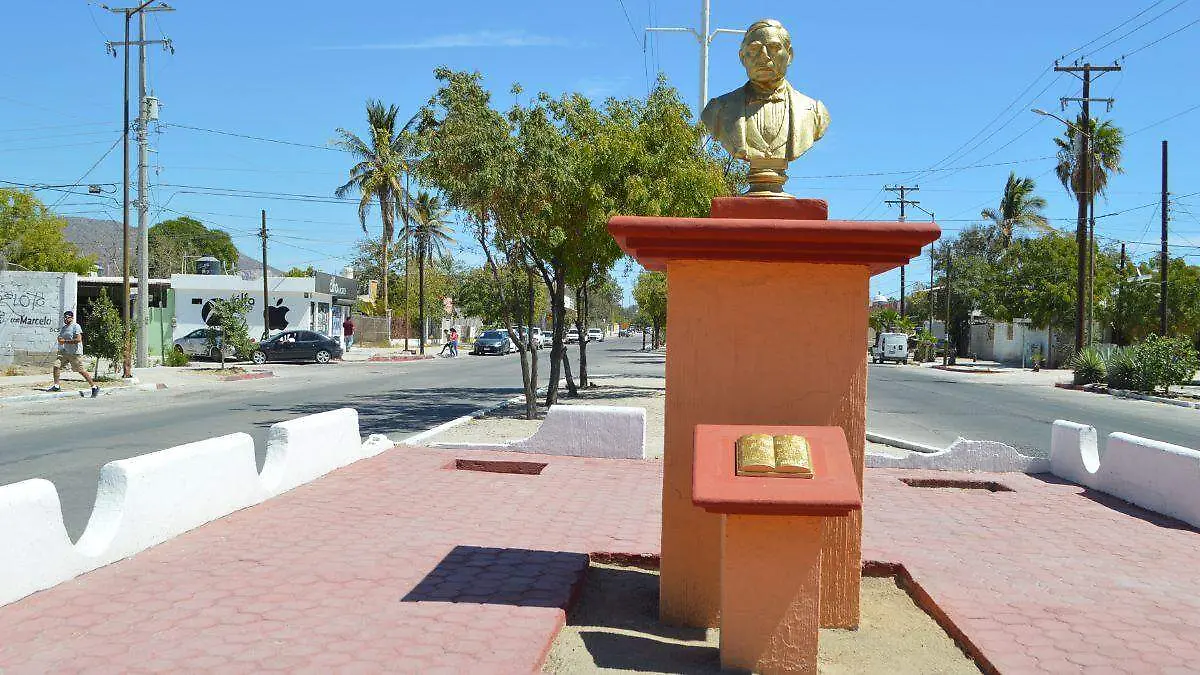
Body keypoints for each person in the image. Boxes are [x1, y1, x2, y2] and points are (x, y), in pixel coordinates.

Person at [700, 19, 829, 195]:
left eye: (774, 47)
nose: (763, 56)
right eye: (754, 49)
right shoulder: (718, 111)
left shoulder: (814, 112)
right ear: (742, 57)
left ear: (789, 55)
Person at [49, 310, 99, 398]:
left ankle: (94, 387)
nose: (65, 319)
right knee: (56, 366)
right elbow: (61, 338)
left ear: (72, 318)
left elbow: (78, 339)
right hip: (65, 352)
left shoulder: (76, 326)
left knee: (81, 371)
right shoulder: (64, 328)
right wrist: (60, 340)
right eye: (64, 317)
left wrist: (65, 341)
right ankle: (57, 386)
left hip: (75, 353)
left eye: (67, 317)